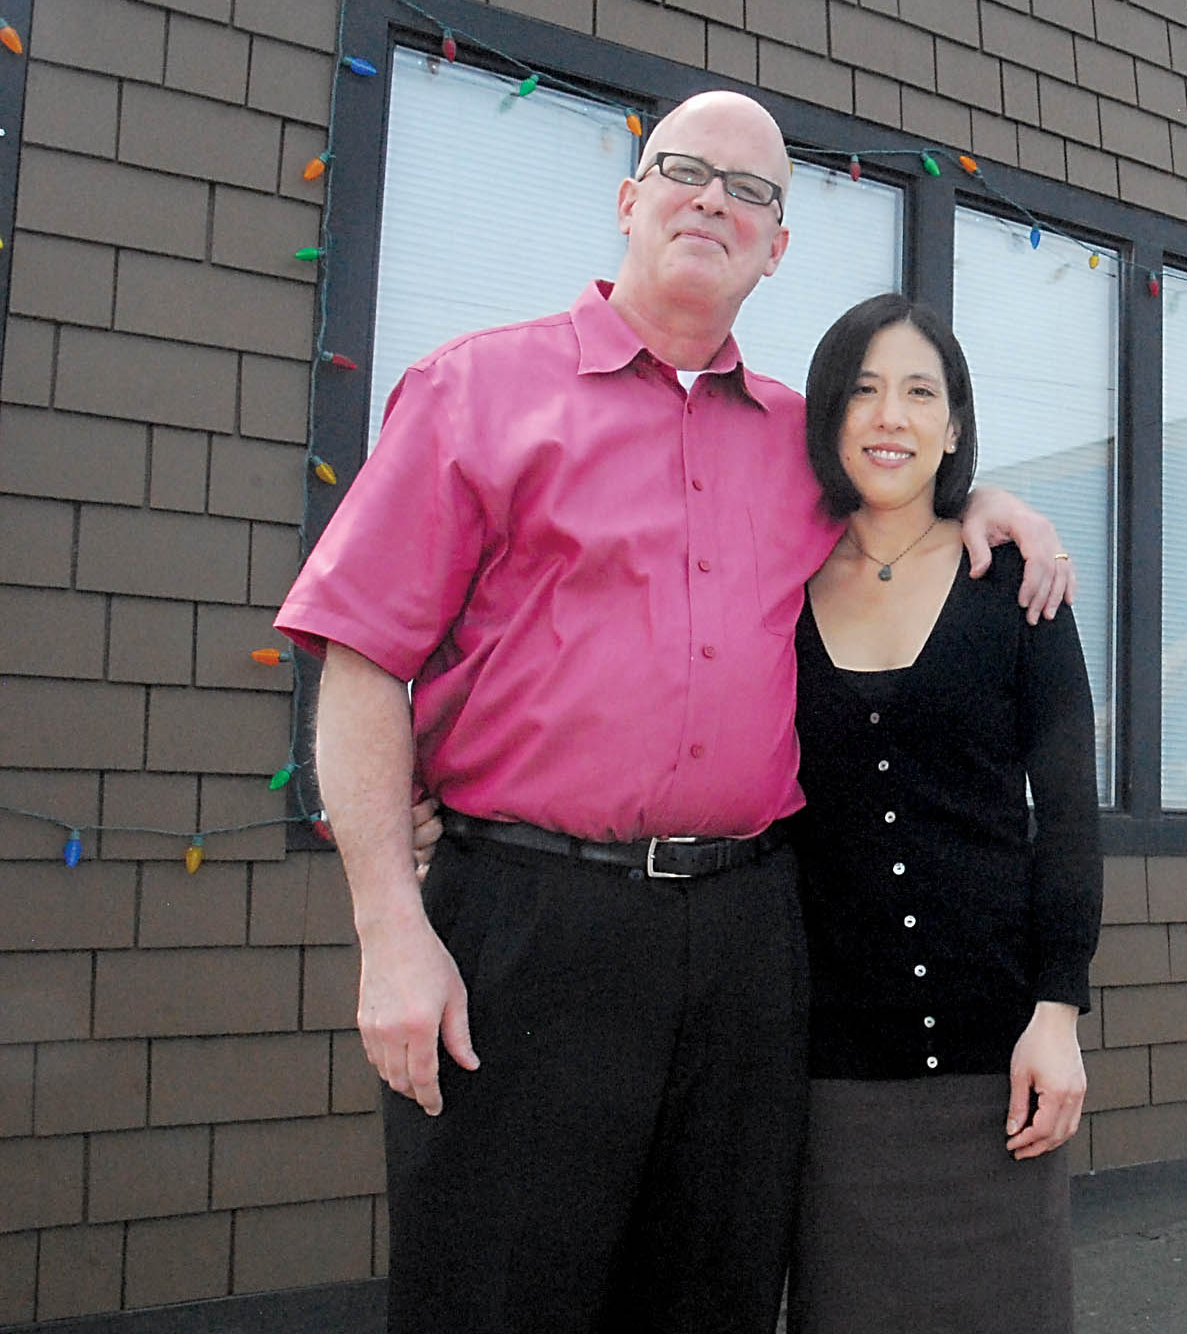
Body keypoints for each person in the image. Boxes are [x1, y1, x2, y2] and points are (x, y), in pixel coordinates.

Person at [274, 91, 1072, 1334]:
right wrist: (389, 926)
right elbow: (363, 656)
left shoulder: (801, 452)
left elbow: (897, 501)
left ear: (777, 245)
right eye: (685, 170)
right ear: (630, 198)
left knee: (712, 1292)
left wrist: (988, 503)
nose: (715, 199)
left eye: (751, 189)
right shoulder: (475, 392)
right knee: (499, 1291)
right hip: (530, 921)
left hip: (752, 934)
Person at [784, 294, 1102, 1334]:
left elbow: (1066, 810)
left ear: (955, 423)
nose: (891, 415)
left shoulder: (1013, 582)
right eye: (865, 389)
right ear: (831, 414)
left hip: (993, 1057)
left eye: (921, 390)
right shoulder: (773, 588)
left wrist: (1057, 1010)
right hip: (829, 1066)